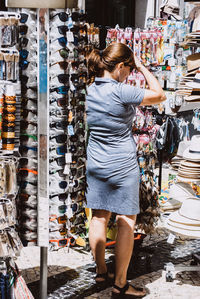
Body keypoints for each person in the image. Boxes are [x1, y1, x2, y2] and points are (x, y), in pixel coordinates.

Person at [86, 42, 166, 298]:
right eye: (128, 69)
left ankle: (100, 271)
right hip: (122, 165)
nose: (129, 74)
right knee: (125, 221)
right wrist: (142, 66)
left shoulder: (90, 90)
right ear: (120, 66)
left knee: (99, 217)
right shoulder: (123, 91)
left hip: (96, 163)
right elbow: (160, 94)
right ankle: (120, 284)